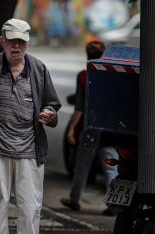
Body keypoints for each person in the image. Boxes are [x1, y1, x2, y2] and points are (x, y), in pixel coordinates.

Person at [0, 19, 61, 234]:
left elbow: (52, 104)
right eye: (11, 40)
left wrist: (49, 114)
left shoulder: (38, 68)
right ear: (1, 40)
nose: (16, 46)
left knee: (30, 208)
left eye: (21, 42)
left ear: (26, 42)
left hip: (30, 152)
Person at [60, 41, 119, 216]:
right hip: (109, 128)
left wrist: (72, 128)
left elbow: (79, 106)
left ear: (87, 56)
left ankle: (75, 199)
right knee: (111, 167)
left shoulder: (84, 76)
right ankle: (114, 204)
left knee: (82, 165)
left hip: (90, 128)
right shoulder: (114, 75)